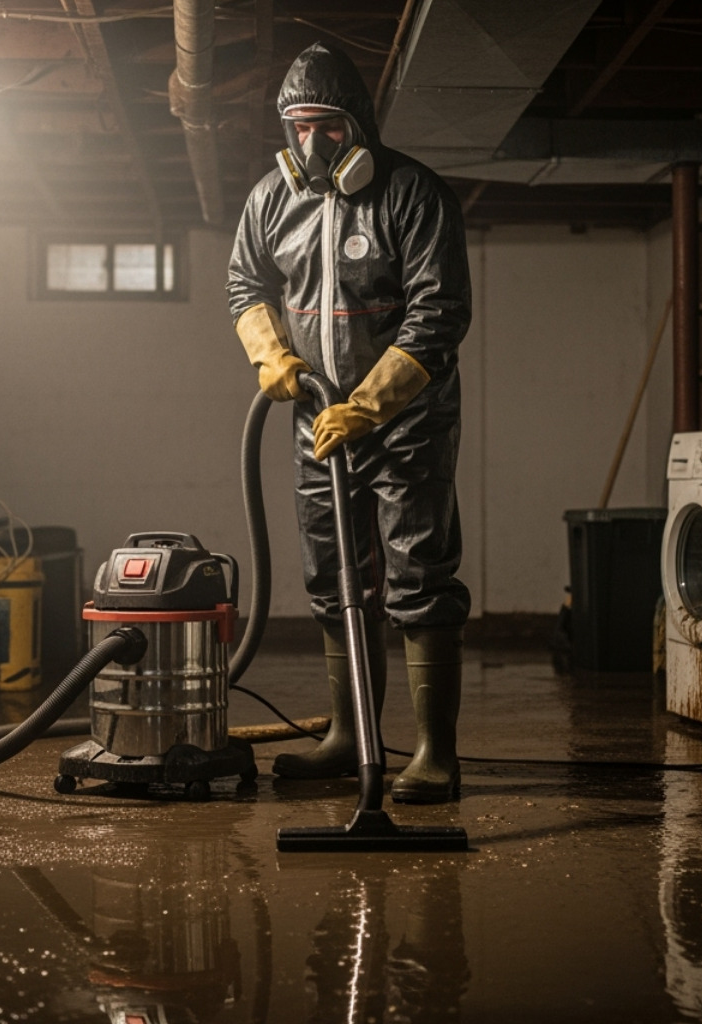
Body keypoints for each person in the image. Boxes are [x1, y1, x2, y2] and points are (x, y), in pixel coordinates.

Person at [225, 42, 472, 803]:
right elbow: (245, 284)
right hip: (315, 423)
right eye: (298, 127)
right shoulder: (272, 199)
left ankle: (433, 753)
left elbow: (439, 313)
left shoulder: (411, 194)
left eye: (326, 127)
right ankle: (345, 735)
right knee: (334, 580)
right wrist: (273, 358)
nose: (311, 144)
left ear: (356, 123)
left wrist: (370, 404)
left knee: (417, 577)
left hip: (405, 424)